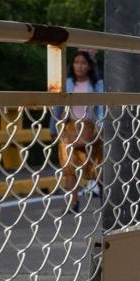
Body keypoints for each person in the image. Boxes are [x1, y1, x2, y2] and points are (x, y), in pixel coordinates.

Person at [54, 50, 105, 212]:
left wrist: (100, 126)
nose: (79, 66)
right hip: (69, 126)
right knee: (68, 165)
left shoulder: (97, 84)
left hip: (90, 126)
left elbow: (101, 107)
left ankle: (106, 196)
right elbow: (57, 106)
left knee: (96, 165)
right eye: (76, 62)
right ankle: (73, 202)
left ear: (89, 66)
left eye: (83, 63)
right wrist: (54, 126)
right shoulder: (66, 83)